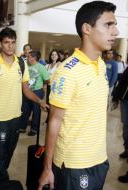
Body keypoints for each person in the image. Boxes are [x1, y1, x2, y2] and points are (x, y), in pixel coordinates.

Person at [38, 1, 119, 190]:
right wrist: (47, 167)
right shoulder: (67, 71)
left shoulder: (100, 64)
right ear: (87, 29)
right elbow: (55, 121)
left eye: (115, 25)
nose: (115, 31)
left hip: (99, 159)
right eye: (109, 24)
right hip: (74, 164)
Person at [0, 27, 47, 183]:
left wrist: (40, 101)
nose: (10, 46)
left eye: (13, 42)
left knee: (8, 151)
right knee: (0, 153)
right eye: (6, 42)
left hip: (16, 117)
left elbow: (26, 89)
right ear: (0, 44)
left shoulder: (21, 64)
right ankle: (2, 180)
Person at [20, 50, 50, 136]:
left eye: (28, 57)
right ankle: (22, 127)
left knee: (36, 111)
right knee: (25, 110)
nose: (27, 58)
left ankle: (34, 129)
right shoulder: (26, 66)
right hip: (26, 91)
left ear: (33, 58)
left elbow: (47, 79)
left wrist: (41, 84)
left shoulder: (41, 67)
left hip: (37, 91)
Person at [112, 67, 128, 183]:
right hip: (126, 100)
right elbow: (123, 81)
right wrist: (116, 97)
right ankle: (127, 149)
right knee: (126, 127)